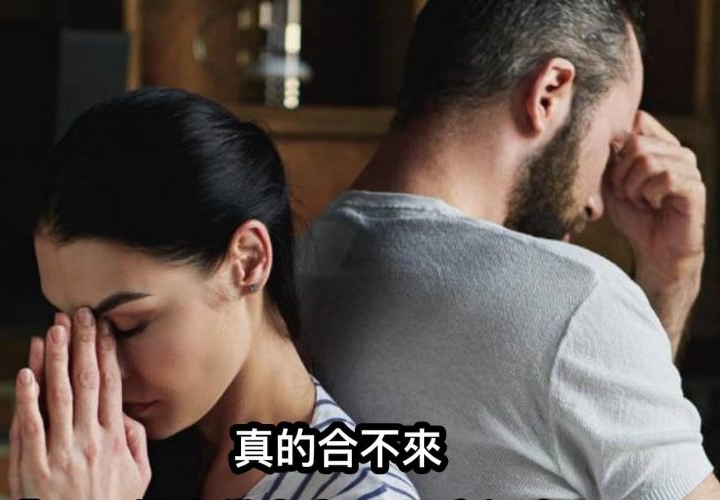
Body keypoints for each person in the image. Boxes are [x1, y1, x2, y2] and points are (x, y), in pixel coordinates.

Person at [297, 1, 720, 498]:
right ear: (549, 92)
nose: (595, 202)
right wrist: (676, 278)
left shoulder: (293, 267)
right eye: (611, 146)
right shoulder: (576, 300)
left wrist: (664, 280)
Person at [8, 88, 419, 500]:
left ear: (248, 261)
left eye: (129, 325)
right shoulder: (92, 462)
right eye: (72, 328)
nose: (101, 371)